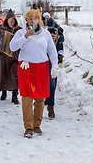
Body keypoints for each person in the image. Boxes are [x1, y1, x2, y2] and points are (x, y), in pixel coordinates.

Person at [10, 9, 58, 138]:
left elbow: (52, 51)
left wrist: (55, 66)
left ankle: (37, 124)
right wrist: (25, 36)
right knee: (26, 97)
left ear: (38, 20)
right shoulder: (20, 32)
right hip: (26, 66)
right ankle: (28, 127)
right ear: (26, 20)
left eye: (35, 18)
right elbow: (12, 47)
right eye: (30, 18)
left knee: (40, 98)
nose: (32, 21)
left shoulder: (46, 34)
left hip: (42, 67)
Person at [0, 9, 22, 104]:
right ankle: (3, 92)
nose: (11, 21)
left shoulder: (19, 30)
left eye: (13, 19)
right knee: (3, 74)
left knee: (15, 74)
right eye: (9, 19)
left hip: (15, 56)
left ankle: (14, 95)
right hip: (4, 56)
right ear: (7, 20)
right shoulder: (2, 29)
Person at [46, 27, 63, 118]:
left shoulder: (59, 43)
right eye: (51, 34)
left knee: (52, 84)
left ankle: (51, 105)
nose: (52, 36)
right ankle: (39, 101)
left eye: (54, 34)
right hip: (42, 63)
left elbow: (61, 52)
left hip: (52, 64)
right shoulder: (44, 42)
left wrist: (60, 57)